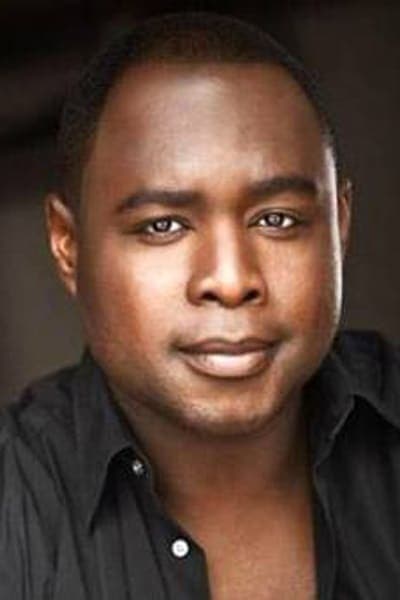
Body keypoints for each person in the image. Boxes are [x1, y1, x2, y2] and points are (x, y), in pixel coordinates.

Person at [0, 11, 399, 599]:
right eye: (163, 225)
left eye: (276, 219)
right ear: (69, 246)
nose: (231, 281)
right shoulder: (14, 506)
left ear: (338, 227)